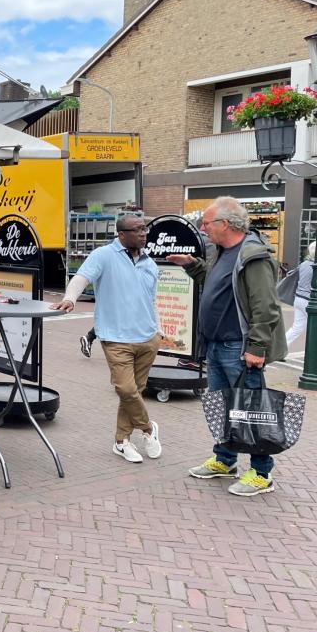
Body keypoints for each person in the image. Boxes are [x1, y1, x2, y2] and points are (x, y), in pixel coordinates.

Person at [167, 196, 287, 496]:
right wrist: (193, 266)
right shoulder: (222, 252)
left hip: (239, 348)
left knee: (250, 410)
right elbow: (218, 283)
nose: (202, 228)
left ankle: (261, 473)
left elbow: (267, 308)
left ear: (225, 224)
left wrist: (256, 347)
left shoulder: (253, 256)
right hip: (217, 345)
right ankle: (225, 460)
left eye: (206, 223)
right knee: (222, 408)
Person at [51, 213, 162, 464]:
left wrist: (159, 330)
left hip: (148, 337)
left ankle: (121, 441)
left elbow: (152, 301)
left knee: (133, 393)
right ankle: (148, 429)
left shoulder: (149, 263)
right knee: (126, 388)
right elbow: (82, 278)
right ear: (122, 234)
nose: (144, 233)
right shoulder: (104, 255)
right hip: (116, 338)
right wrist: (70, 298)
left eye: (145, 228)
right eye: (138, 229)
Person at [285, 241, 315, 346]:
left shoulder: (304, 264)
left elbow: (290, 274)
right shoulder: (314, 267)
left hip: (298, 299)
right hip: (309, 301)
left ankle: (281, 349)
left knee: (297, 327)